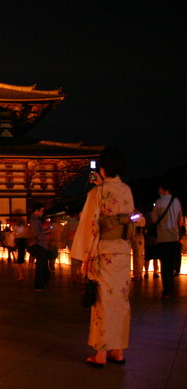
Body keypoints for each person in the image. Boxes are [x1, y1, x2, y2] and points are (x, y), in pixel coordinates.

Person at [70, 147, 134, 368]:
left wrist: (84, 258)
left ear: (103, 169)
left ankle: (100, 354)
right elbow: (132, 216)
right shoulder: (126, 190)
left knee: (103, 303)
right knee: (121, 301)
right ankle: (119, 351)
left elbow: (90, 226)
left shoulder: (96, 193)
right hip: (123, 252)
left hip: (104, 252)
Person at [152, 180, 183, 299]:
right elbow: (180, 219)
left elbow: (154, 220)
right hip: (174, 236)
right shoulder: (176, 202)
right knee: (171, 263)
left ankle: (166, 290)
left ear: (162, 189)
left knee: (164, 264)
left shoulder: (158, 202)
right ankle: (171, 288)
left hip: (163, 237)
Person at [28, 203, 50, 291]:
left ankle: (41, 284)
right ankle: (39, 285)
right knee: (41, 266)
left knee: (42, 265)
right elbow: (36, 234)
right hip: (40, 245)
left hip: (40, 245)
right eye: (41, 211)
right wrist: (43, 235)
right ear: (36, 211)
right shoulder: (35, 221)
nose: (42, 213)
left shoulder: (35, 220)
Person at [61, 210, 81, 284]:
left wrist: (64, 242)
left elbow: (64, 234)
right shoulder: (80, 223)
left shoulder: (68, 224)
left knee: (73, 259)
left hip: (71, 242)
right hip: (79, 242)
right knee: (79, 258)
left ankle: (74, 276)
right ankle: (78, 273)